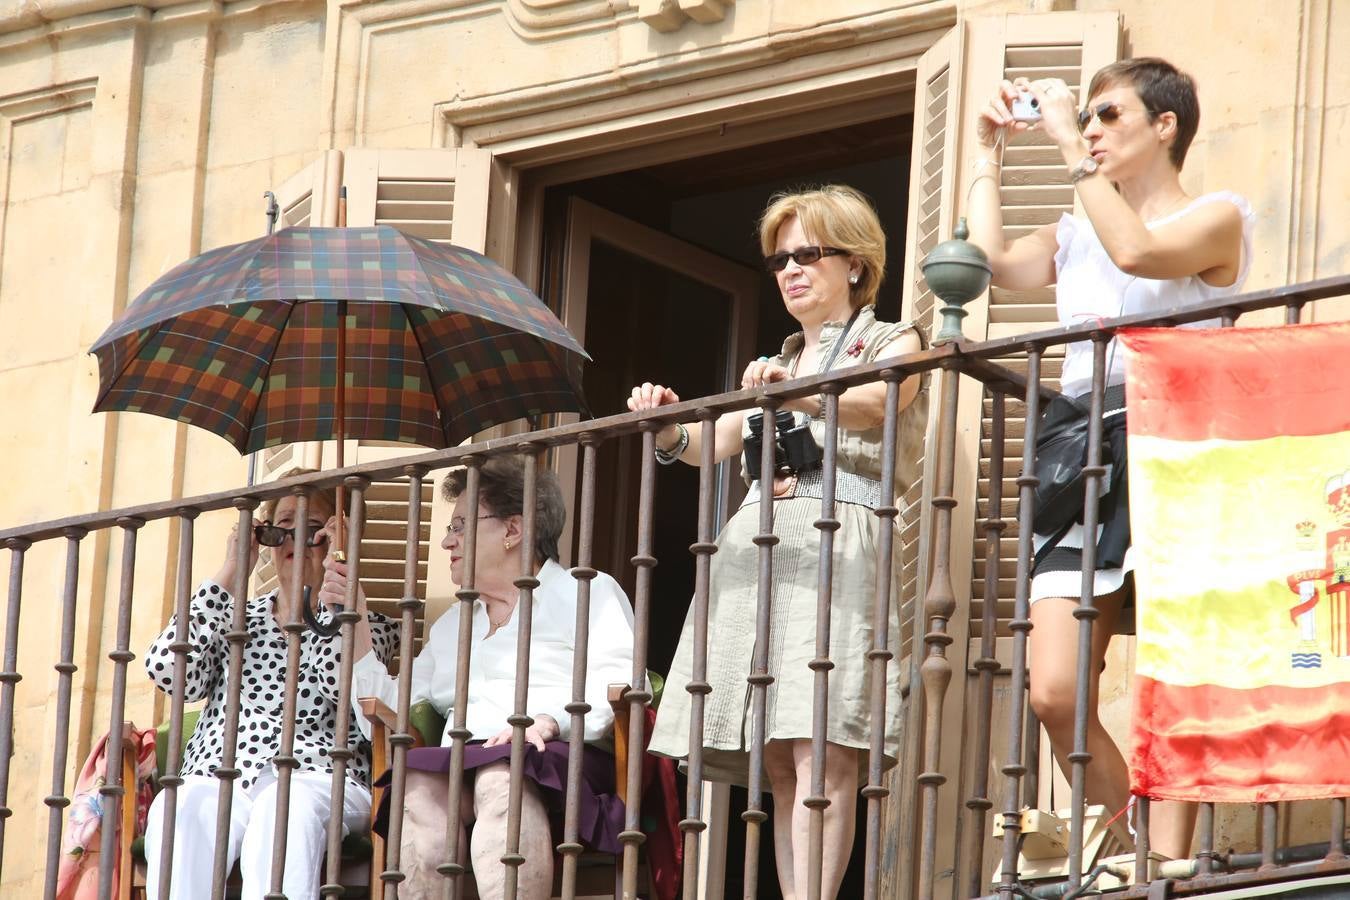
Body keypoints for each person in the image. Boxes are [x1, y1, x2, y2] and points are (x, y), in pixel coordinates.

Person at [965, 58, 1255, 859]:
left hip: (1177, 435)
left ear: (1166, 127)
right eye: (1083, 117)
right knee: (1054, 689)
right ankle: (1121, 837)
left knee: (1174, 669)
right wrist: (986, 158)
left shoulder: (1219, 217)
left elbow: (1136, 253)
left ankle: (1164, 863)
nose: (1090, 128)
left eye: (1108, 115)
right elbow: (990, 267)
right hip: (1081, 448)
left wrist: (1064, 149)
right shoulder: (1074, 231)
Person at [630, 185, 927, 900]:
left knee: (824, 747)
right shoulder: (778, 358)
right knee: (783, 756)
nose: (791, 270)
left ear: (855, 264)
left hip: (838, 545)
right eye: (780, 260)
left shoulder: (893, 339)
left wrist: (791, 392)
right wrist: (667, 424)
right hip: (759, 549)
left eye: (808, 255)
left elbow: (885, 401)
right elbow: (713, 443)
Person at [340, 454, 636, 899]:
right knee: (417, 787)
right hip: (466, 755)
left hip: (553, 753)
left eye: (460, 525)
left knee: (501, 779)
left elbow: (621, 682)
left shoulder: (586, 592)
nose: (446, 542)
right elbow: (388, 717)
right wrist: (358, 624)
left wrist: (552, 719)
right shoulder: (455, 624)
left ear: (513, 531)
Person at [142, 468, 398, 899]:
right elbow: (169, 672)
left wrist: (336, 582)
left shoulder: (373, 626)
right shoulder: (235, 617)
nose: (295, 541)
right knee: (179, 804)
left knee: (284, 806)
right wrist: (231, 569)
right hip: (221, 773)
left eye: (313, 529)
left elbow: (339, 683)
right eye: (282, 530)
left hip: (318, 777)